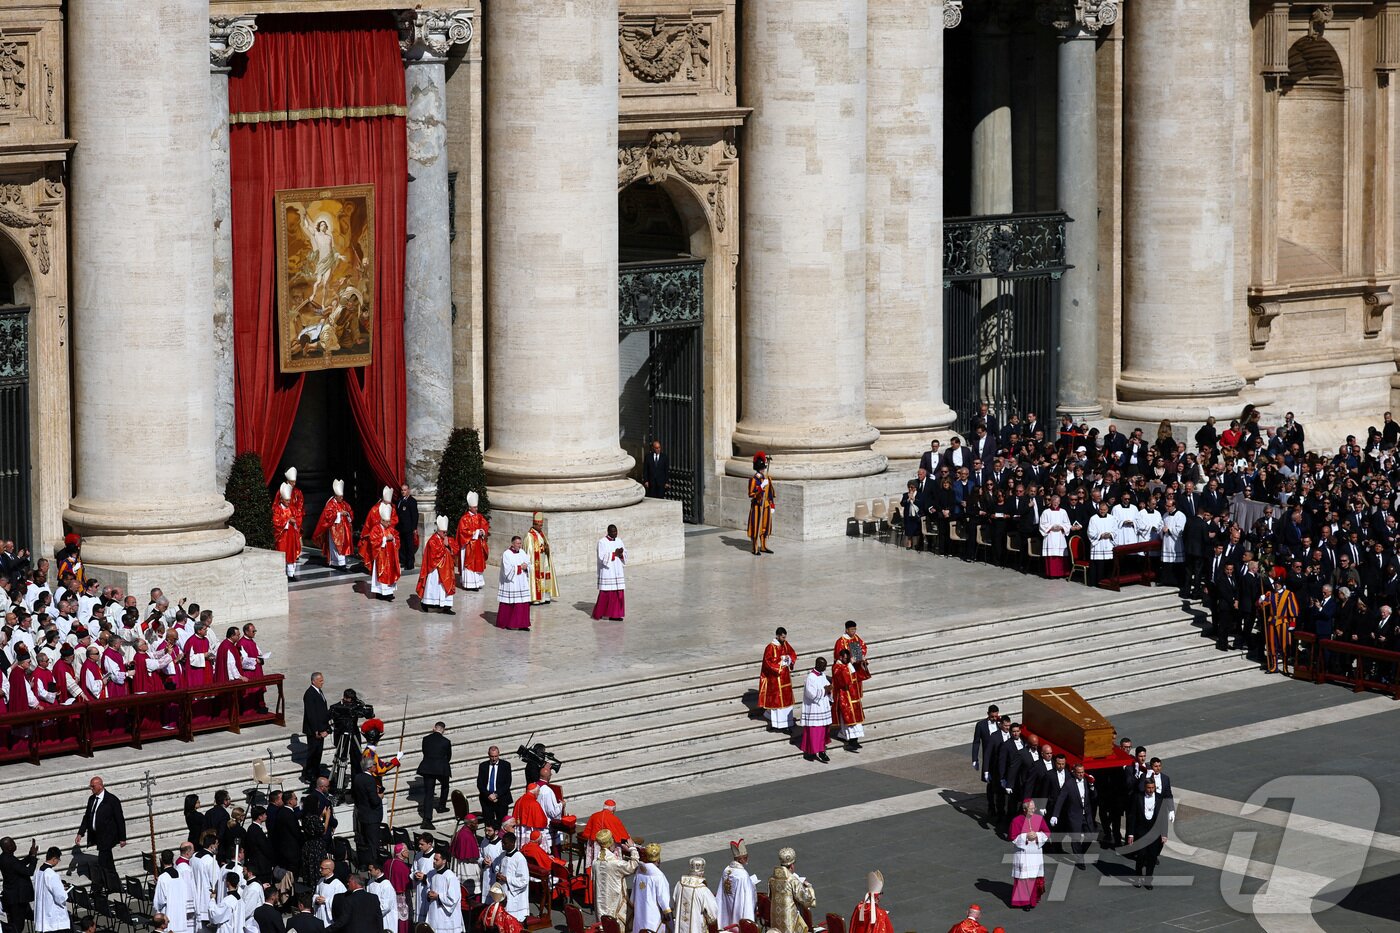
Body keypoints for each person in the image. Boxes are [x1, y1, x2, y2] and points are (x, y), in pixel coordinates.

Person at [74, 775, 125, 894]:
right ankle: (115, 886)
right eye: (90, 786)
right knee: (109, 863)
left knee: (102, 862)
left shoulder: (112, 800)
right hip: (98, 836)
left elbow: (120, 819)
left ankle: (98, 886)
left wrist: (122, 838)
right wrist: (80, 833)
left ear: (100, 786)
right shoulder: (92, 799)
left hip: (108, 837)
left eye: (93, 786)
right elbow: (87, 817)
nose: (91, 788)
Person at [1126, 777, 1171, 889]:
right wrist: (1130, 834)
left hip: (1155, 832)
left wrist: (1164, 834)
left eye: (1152, 788)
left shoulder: (1160, 798)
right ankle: (1138, 877)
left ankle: (1148, 880)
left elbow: (1163, 817)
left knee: (1152, 857)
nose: (1151, 790)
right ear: (1145, 787)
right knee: (1141, 856)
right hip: (1141, 831)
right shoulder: (1138, 797)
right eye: (1149, 788)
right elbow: (1132, 816)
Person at [1050, 763, 1097, 870]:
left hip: (1087, 815)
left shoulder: (1087, 781)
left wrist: (1092, 785)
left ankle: (1080, 854)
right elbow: (1061, 799)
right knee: (1076, 838)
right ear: (1074, 773)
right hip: (1074, 816)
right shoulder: (1069, 784)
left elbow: (1094, 797)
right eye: (1079, 772)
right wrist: (1055, 815)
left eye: (1082, 772)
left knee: (1090, 836)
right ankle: (1080, 860)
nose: (1081, 774)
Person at [1008, 800, 1049, 910]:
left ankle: (1033, 900)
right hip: (1023, 854)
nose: (1033, 811)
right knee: (1023, 878)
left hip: (1035, 853)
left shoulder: (1039, 819)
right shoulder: (1016, 821)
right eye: (1031, 809)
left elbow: (1046, 832)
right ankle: (1024, 902)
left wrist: (1037, 835)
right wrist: (1025, 836)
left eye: (1034, 808)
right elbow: (1013, 837)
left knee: (1033, 877)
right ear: (1024, 809)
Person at [590, 829, 638, 923]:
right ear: (611, 843)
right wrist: (633, 849)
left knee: (603, 925)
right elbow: (633, 866)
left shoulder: (595, 862)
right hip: (614, 904)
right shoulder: (615, 863)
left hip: (600, 905)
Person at [757, 628, 797, 732]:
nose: (784, 639)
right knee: (778, 703)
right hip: (776, 679)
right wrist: (779, 665)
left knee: (786, 702)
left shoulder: (785, 644)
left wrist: (789, 659)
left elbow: (792, 653)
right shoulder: (770, 647)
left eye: (785, 637)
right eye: (783, 637)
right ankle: (778, 724)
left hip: (786, 678)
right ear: (778, 636)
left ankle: (787, 722)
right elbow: (767, 663)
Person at [415, 516, 457, 615]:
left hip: (447, 570)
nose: (445, 534)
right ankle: (428, 604)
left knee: (445, 588)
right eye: (443, 532)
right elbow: (435, 555)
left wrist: (448, 545)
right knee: (434, 587)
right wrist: (445, 546)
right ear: (438, 531)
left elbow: (455, 550)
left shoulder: (447, 539)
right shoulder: (432, 540)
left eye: (446, 532)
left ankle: (446, 607)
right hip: (435, 570)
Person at [768, 848, 815, 932]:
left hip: (776, 919)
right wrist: (808, 887)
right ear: (792, 866)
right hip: (790, 920)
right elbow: (806, 899)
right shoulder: (792, 880)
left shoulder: (772, 879)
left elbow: (770, 896)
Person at [360, 503, 401, 601]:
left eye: (389, 521)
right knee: (382, 573)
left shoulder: (390, 529)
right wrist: (385, 539)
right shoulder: (376, 528)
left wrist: (393, 538)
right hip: (381, 556)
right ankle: (381, 593)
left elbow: (397, 537)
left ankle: (389, 592)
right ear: (382, 520)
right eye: (387, 522)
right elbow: (373, 541)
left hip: (390, 556)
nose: (389, 524)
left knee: (390, 573)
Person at [312, 479, 355, 570]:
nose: (341, 498)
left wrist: (347, 514)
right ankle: (338, 563)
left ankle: (341, 563)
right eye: (340, 496)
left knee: (343, 545)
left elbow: (350, 511)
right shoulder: (331, 504)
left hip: (344, 529)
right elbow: (327, 516)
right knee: (336, 545)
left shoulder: (344, 504)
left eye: (342, 496)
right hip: (334, 529)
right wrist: (339, 514)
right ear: (335, 495)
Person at [416, 722, 452, 828]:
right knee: (445, 785)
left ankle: (427, 819)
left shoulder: (426, 739)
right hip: (441, 768)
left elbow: (424, 752)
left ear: (434, 728)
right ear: (443, 730)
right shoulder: (446, 741)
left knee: (429, 793)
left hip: (428, 768)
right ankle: (441, 806)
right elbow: (449, 756)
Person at [714, 839, 756, 929]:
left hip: (726, 907)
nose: (747, 859)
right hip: (738, 909)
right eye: (745, 857)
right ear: (740, 859)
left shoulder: (726, 870)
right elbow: (747, 897)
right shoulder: (743, 875)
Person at [487, 832, 528, 923]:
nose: (502, 845)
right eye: (502, 843)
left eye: (505, 843)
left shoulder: (520, 858)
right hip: (503, 891)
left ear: (512, 843)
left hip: (514, 895)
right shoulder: (503, 855)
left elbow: (524, 881)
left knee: (512, 920)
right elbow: (497, 867)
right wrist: (497, 874)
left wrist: (507, 879)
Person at [630, 844, 671, 933]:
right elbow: (662, 897)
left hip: (640, 912)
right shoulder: (658, 876)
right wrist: (667, 911)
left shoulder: (639, 871)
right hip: (653, 914)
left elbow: (633, 894)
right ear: (658, 859)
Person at [418, 852, 462, 933]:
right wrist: (429, 893)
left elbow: (453, 898)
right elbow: (428, 887)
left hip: (445, 915)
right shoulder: (431, 873)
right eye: (434, 859)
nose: (434, 861)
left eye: (437, 859)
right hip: (433, 912)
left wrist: (438, 897)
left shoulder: (450, 876)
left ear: (444, 861)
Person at [799, 657, 832, 764]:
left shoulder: (822, 675)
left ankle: (822, 751)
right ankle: (811, 752)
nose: (825, 668)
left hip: (823, 706)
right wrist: (825, 690)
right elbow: (810, 693)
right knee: (814, 732)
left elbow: (827, 686)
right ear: (818, 665)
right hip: (814, 708)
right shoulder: (810, 678)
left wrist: (830, 689)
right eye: (824, 666)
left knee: (822, 731)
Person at [672, 857, 719, 933]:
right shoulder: (702, 890)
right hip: (696, 928)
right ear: (702, 873)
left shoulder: (679, 884)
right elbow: (713, 914)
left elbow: (674, 902)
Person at [454, 492, 490, 592]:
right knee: (469, 564)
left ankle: (477, 583)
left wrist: (482, 531)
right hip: (469, 545)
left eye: (477, 507)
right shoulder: (464, 519)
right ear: (469, 508)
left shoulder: (479, 517)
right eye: (474, 507)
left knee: (478, 563)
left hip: (478, 544)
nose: (476, 509)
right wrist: (476, 532)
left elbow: (485, 525)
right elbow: (463, 532)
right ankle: (469, 584)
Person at [0, 837, 37, 933]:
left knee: (27, 917)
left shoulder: (4, 857)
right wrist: (33, 857)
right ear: (9, 847)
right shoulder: (9, 860)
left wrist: (30, 855)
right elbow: (29, 871)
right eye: (13, 843)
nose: (15, 844)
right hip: (17, 898)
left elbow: (20, 865)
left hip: (16, 897)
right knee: (18, 926)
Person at [831, 648, 865, 752]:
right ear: (841, 657)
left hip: (853, 695)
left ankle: (852, 739)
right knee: (848, 719)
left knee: (855, 719)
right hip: (844, 696)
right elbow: (845, 680)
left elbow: (857, 676)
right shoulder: (837, 667)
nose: (848, 660)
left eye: (848, 658)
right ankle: (851, 741)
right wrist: (850, 664)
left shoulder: (847, 665)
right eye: (846, 659)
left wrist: (862, 664)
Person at [494, 537, 532, 631]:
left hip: (522, 582)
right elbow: (507, 570)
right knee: (510, 603)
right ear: (512, 544)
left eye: (520, 543)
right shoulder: (507, 554)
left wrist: (526, 566)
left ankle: (523, 624)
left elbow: (528, 563)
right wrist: (520, 567)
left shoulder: (522, 552)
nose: (519, 545)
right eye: (517, 543)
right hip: (511, 583)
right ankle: (508, 623)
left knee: (523, 603)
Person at [351, 764, 383, 871]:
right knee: (373, 842)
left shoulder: (357, 778)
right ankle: (374, 865)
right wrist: (379, 797)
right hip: (372, 816)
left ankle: (365, 863)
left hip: (362, 814)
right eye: (374, 765)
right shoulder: (370, 780)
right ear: (369, 767)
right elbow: (374, 800)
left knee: (365, 841)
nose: (376, 766)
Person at [579, 799, 629, 866]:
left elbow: (587, 833)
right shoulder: (614, 819)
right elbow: (624, 836)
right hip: (609, 847)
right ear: (613, 809)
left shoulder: (594, 816)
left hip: (596, 845)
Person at [153, 850, 193, 933]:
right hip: (181, 915)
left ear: (161, 860)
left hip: (168, 916)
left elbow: (160, 901)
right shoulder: (180, 874)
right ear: (173, 860)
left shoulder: (163, 878)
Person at [592, 525, 626, 621]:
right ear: (608, 532)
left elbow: (625, 553)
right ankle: (600, 613)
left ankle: (615, 615)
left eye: (616, 531)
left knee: (618, 593)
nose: (615, 533)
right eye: (613, 531)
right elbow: (601, 557)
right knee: (606, 593)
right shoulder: (602, 542)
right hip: (608, 571)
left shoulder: (619, 541)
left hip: (617, 570)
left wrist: (621, 553)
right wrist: (614, 554)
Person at [302, 672, 330, 785]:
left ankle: (316, 772)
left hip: (321, 728)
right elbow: (311, 714)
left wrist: (326, 727)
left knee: (318, 752)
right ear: (313, 681)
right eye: (320, 681)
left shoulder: (319, 691)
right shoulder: (309, 694)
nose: (322, 682)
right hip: (314, 730)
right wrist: (316, 731)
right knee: (313, 752)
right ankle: (309, 774)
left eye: (322, 680)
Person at [31, 847, 68, 933]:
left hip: (42, 912)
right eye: (58, 859)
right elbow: (60, 897)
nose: (58, 862)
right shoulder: (52, 875)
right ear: (54, 859)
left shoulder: (38, 871)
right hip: (52, 916)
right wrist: (63, 891)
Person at [476, 745, 513, 829]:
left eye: (496, 756)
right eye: (492, 756)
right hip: (487, 799)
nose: (494, 758)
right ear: (488, 755)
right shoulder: (483, 766)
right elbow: (480, 784)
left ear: (499, 754)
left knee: (502, 823)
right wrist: (488, 795)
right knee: (489, 824)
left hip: (501, 798)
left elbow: (507, 783)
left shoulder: (505, 765)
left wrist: (496, 794)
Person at [525, 513, 557, 605]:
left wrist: (547, 548)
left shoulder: (542, 534)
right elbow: (529, 551)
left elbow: (545, 545)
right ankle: (536, 598)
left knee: (545, 576)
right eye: (539, 525)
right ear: (534, 525)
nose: (541, 527)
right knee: (537, 578)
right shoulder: (529, 536)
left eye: (541, 525)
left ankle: (545, 597)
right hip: (536, 562)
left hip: (544, 559)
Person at [747, 452, 776, 555]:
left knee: (765, 526)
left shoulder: (767, 479)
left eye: (764, 467)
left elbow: (770, 493)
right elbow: (751, 493)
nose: (763, 469)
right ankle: (754, 548)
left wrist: (772, 505)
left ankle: (763, 546)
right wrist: (760, 487)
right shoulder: (754, 480)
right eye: (762, 468)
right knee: (756, 526)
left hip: (766, 505)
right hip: (757, 506)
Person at [272, 483, 302, 580]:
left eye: (289, 500)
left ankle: (291, 574)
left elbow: (298, 517)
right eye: (286, 500)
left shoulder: (292, 509)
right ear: (281, 499)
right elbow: (275, 521)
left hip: (292, 536)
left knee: (291, 553)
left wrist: (295, 521)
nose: (288, 502)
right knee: (282, 553)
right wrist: (288, 521)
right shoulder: (277, 509)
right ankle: (281, 573)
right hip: (282, 536)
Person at [1038, 494, 1071, 578]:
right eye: (1054, 501)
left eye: (1057, 502)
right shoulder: (1046, 512)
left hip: (1060, 536)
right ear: (1051, 502)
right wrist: (1051, 527)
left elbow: (1067, 524)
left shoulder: (1063, 512)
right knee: (1051, 555)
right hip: (1050, 536)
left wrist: (1062, 527)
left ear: (1059, 502)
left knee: (1061, 555)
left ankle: (1061, 573)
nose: (1055, 503)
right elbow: (1042, 524)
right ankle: (1051, 574)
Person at [395, 485, 420, 572]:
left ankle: (410, 564)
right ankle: (403, 561)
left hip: (409, 528)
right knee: (402, 545)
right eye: (402, 490)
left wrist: (414, 528)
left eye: (405, 490)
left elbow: (415, 515)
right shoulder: (399, 500)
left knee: (409, 546)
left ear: (408, 490)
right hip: (400, 527)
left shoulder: (412, 501)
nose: (403, 492)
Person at [313, 859, 345, 926]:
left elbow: (340, 902)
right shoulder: (321, 881)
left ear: (330, 870)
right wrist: (316, 898)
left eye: (322, 868)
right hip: (319, 912)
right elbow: (316, 894)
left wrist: (326, 901)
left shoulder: (338, 885)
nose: (320, 870)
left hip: (329, 918)